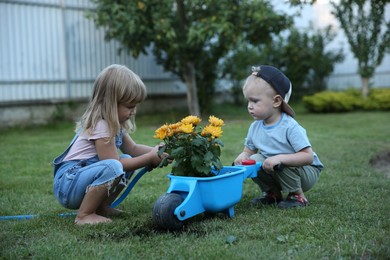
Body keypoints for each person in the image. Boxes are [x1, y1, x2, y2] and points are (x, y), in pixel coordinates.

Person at [53, 64, 166, 225]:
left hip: (80, 181)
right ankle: (84, 215)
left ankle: (101, 207)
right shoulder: (101, 125)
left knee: (126, 159)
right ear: (110, 103)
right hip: (69, 184)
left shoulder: (114, 124)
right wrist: (150, 158)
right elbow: (116, 164)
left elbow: (132, 149)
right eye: (129, 106)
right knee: (114, 167)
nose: (133, 111)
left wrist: (159, 152)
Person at [234, 65, 324, 209]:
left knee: (280, 160)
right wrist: (243, 156)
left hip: (305, 172)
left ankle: (298, 196)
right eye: (248, 101)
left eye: (255, 101)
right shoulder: (255, 126)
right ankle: (273, 194)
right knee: (253, 160)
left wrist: (280, 158)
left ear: (276, 101)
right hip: (276, 168)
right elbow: (248, 151)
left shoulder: (289, 126)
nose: (249, 106)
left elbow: (307, 157)